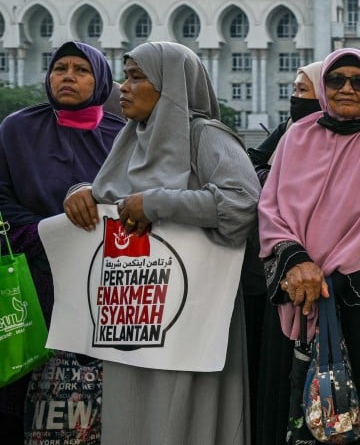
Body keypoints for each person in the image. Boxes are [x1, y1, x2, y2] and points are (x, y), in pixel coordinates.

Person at [63, 41, 260, 445]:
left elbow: (242, 205)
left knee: (188, 417)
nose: (124, 87)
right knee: (133, 416)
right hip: (135, 319)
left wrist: (158, 203)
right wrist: (81, 193)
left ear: (171, 86)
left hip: (193, 318)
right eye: (126, 76)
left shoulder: (205, 137)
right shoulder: (131, 140)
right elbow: (112, 199)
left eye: (138, 78)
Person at [259, 48, 360, 445]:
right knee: (296, 413)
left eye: (359, 81)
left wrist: (332, 283)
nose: (347, 88)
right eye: (336, 80)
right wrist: (296, 262)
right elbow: (271, 207)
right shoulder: (297, 137)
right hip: (296, 295)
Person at [0, 41, 124, 444]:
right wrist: (51, 233)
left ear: (101, 79)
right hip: (33, 280)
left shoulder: (124, 137)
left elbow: (137, 199)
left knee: (98, 402)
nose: (67, 76)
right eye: (59, 68)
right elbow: (2, 200)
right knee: (19, 393)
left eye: (81, 70)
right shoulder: (16, 129)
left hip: (103, 284)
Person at [244, 60, 322, 445]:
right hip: (283, 281)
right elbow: (260, 186)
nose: (295, 98)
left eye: (303, 90)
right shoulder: (289, 136)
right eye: (293, 89)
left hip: (338, 287)